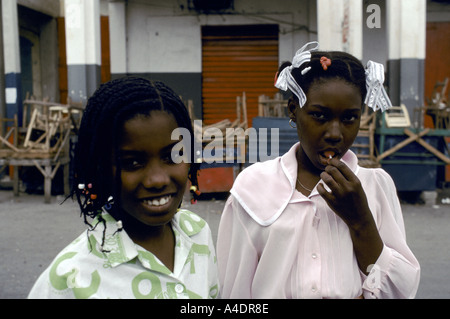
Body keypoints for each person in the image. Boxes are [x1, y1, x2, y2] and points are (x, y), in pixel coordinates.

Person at [216, 42, 420, 299]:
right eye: (319, 116)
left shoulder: (376, 187)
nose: (335, 133)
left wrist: (361, 222)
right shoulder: (253, 187)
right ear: (293, 110)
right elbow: (234, 292)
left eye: (349, 118)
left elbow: (401, 291)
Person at [28, 77, 219, 299]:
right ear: (100, 169)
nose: (157, 180)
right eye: (132, 162)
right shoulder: (71, 277)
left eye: (172, 156)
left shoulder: (198, 233)